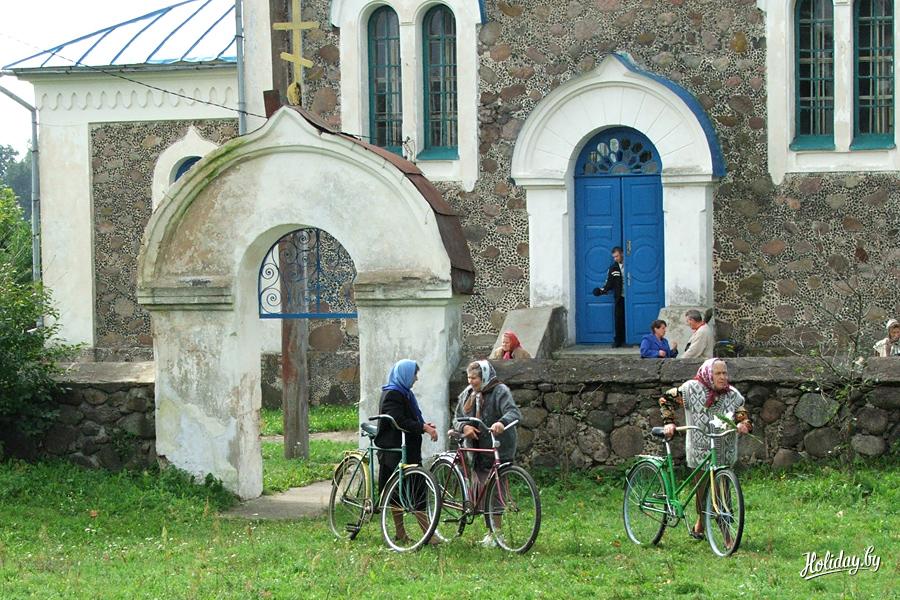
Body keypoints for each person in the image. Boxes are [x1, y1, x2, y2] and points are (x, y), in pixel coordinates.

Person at [658, 358, 752, 539]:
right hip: (699, 452)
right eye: (718, 373)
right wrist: (669, 422)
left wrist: (744, 424)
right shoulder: (690, 389)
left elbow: (743, 415)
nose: (723, 377)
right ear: (709, 374)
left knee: (722, 493)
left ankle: (723, 536)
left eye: (725, 373)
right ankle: (709, 529)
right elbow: (666, 399)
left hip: (723, 453)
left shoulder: (733, 395)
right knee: (702, 493)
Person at [453, 360, 522, 546]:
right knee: (483, 491)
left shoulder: (500, 391)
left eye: (474, 378)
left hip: (498, 448)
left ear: (484, 376)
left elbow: (513, 413)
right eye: (469, 378)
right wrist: (465, 427)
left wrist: (501, 422)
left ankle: (496, 532)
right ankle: (490, 532)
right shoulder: (467, 394)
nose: (471, 381)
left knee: (496, 490)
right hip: (477, 451)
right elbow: (457, 419)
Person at [374, 359, 438, 543]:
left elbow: (409, 418)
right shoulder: (392, 394)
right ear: (405, 374)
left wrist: (422, 425)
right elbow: (398, 420)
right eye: (414, 374)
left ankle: (423, 533)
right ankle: (420, 533)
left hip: (408, 449)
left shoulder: (405, 393)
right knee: (399, 492)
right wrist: (423, 427)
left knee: (416, 490)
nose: (416, 378)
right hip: (394, 451)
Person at [593, 246, 626, 347]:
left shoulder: (631, 264)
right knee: (619, 318)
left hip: (633, 297)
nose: (615, 259)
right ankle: (619, 340)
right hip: (620, 297)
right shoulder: (613, 268)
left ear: (622, 254)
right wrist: (602, 291)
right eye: (614, 257)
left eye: (617, 256)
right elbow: (609, 283)